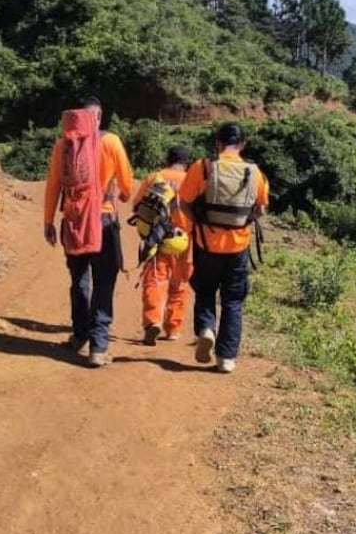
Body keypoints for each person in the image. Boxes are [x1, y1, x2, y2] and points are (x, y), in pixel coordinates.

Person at [43, 96, 133, 367]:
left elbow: (53, 186)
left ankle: (79, 334)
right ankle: (98, 346)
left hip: (72, 221)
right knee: (104, 281)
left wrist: (48, 221)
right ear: (99, 116)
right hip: (103, 221)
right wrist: (123, 194)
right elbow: (127, 186)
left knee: (79, 279)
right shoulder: (111, 141)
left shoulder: (63, 145)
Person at [178, 122, 269, 374]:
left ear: (217, 143)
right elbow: (261, 209)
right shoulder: (254, 172)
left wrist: (199, 222)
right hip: (237, 248)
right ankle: (226, 358)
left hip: (206, 244)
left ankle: (206, 329)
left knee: (205, 291)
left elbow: (183, 202)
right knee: (232, 301)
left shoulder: (203, 166)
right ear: (242, 145)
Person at [133, 145, 193, 345]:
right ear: (186, 163)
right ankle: (173, 328)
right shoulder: (191, 181)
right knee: (179, 284)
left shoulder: (154, 177)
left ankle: (152, 322)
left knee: (154, 281)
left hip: (157, 239)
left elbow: (137, 206)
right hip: (184, 241)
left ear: (168, 159)